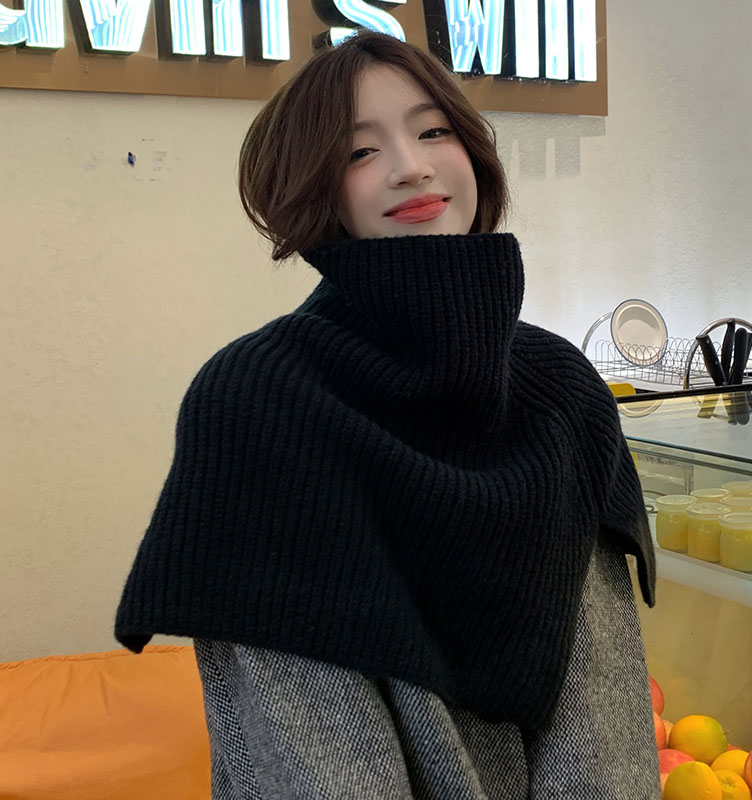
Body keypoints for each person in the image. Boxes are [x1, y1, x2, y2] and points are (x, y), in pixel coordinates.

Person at [116, 30, 660, 799]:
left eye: (434, 131)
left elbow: (603, 728)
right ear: (317, 190)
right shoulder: (260, 398)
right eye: (360, 152)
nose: (412, 166)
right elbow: (313, 761)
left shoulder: (561, 388)